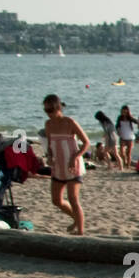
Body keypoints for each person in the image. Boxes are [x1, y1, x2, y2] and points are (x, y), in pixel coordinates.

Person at [42, 94, 88, 235]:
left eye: (51, 110)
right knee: (56, 200)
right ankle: (75, 218)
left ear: (58, 107)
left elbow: (86, 143)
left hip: (73, 165)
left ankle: (80, 231)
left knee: (73, 199)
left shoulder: (69, 122)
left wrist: (75, 157)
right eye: (46, 110)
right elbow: (50, 145)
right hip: (59, 166)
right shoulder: (48, 124)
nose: (49, 113)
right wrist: (49, 156)